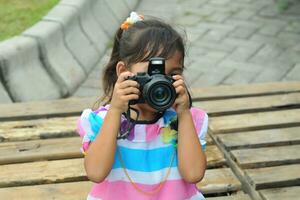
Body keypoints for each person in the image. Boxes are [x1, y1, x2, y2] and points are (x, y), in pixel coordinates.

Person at [77, 12, 208, 200]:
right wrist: (115, 110)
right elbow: (96, 173)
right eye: (151, 74)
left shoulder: (187, 120)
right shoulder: (103, 122)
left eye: (172, 74)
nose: (160, 82)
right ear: (124, 72)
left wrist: (184, 114)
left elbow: (194, 174)